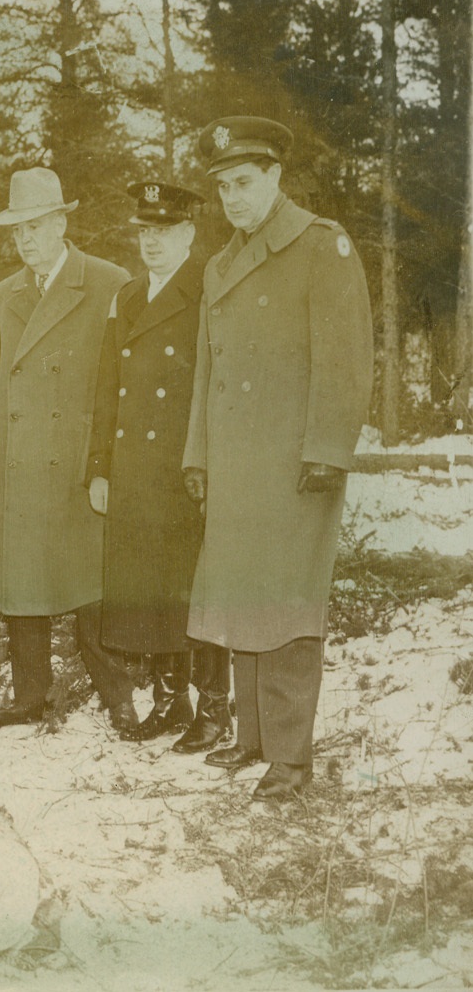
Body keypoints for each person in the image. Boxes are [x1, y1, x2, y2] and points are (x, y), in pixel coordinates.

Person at [183, 116, 373, 799]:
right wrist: (197, 454)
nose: (232, 198)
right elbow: (209, 368)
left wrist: (327, 449)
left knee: (288, 608)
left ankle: (291, 761)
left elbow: (347, 359)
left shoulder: (322, 247)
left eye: (243, 182)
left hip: (297, 466)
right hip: (236, 465)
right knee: (241, 598)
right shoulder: (220, 265)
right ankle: (254, 738)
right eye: (223, 186)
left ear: (274, 178)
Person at [0, 167, 137, 733]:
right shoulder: (5, 292)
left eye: (37, 227)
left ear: (63, 222)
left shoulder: (110, 282)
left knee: (90, 580)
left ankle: (117, 691)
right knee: (24, 580)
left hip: (78, 454)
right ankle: (30, 695)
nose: (27, 241)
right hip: (20, 455)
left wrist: (112, 456)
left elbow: (125, 374)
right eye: (18, 231)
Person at [86, 181, 233, 752]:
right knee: (149, 588)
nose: (152, 242)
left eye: (164, 231)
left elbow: (219, 384)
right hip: (134, 470)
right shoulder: (126, 297)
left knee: (193, 589)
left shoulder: (207, 289)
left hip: (185, 468)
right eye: (145, 231)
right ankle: (170, 701)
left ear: (190, 234)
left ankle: (216, 708)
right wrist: (99, 466)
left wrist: (212, 464)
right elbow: (107, 388)